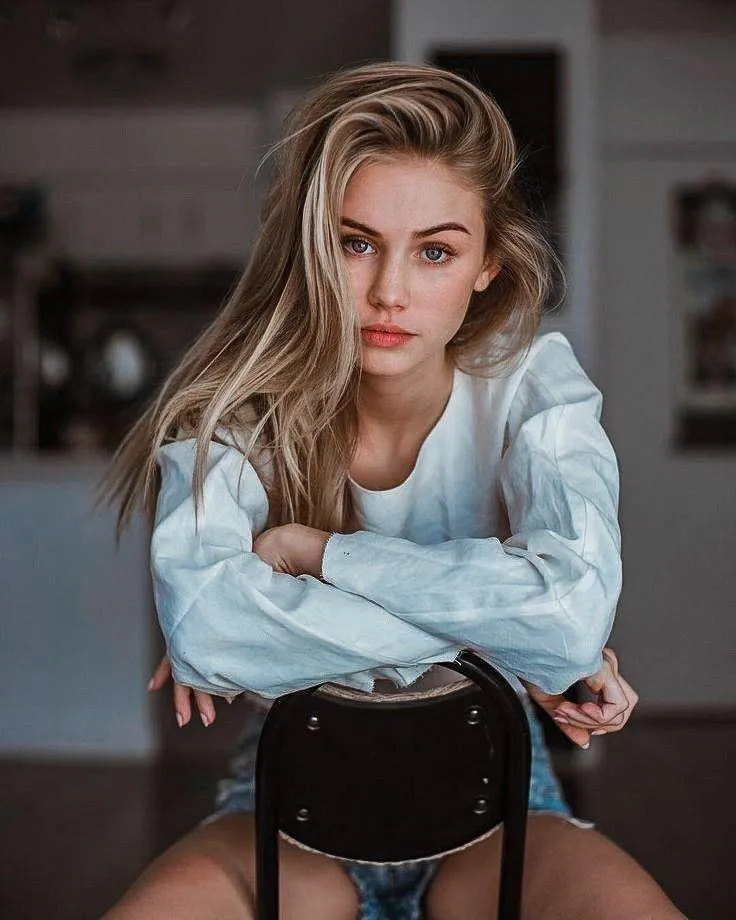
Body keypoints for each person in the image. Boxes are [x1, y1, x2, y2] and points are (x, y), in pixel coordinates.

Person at [103, 62, 683, 919]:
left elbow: (568, 619)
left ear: (487, 264)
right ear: (312, 246)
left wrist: (320, 556)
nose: (389, 292)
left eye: (437, 251)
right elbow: (207, 627)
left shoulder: (534, 386)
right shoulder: (234, 410)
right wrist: (510, 634)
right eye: (356, 241)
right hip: (284, 807)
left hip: (502, 806)